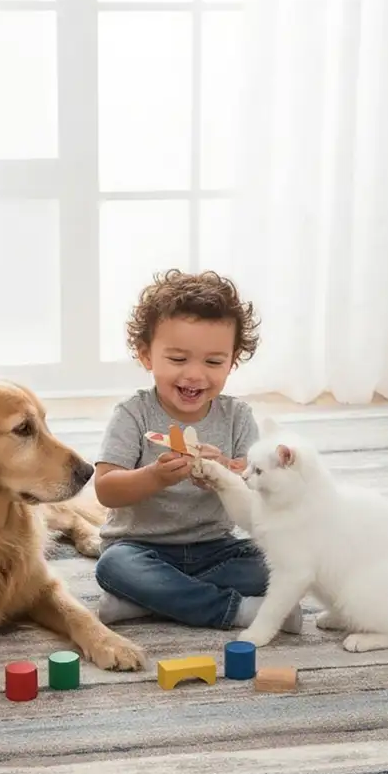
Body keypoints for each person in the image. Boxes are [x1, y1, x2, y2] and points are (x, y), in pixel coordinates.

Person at [93, 268, 302, 635]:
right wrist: (154, 476)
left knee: (282, 561)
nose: (194, 375)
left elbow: (258, 494)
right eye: (178, 359)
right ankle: (237, 611)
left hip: (216, 550)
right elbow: (106, 489)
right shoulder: (133, 414)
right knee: (114, 567)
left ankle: (144, 601)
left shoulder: (238, 416)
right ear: (146, 355)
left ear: (232, 361)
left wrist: (226, 474)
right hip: (142, 548)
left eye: (213, 362)